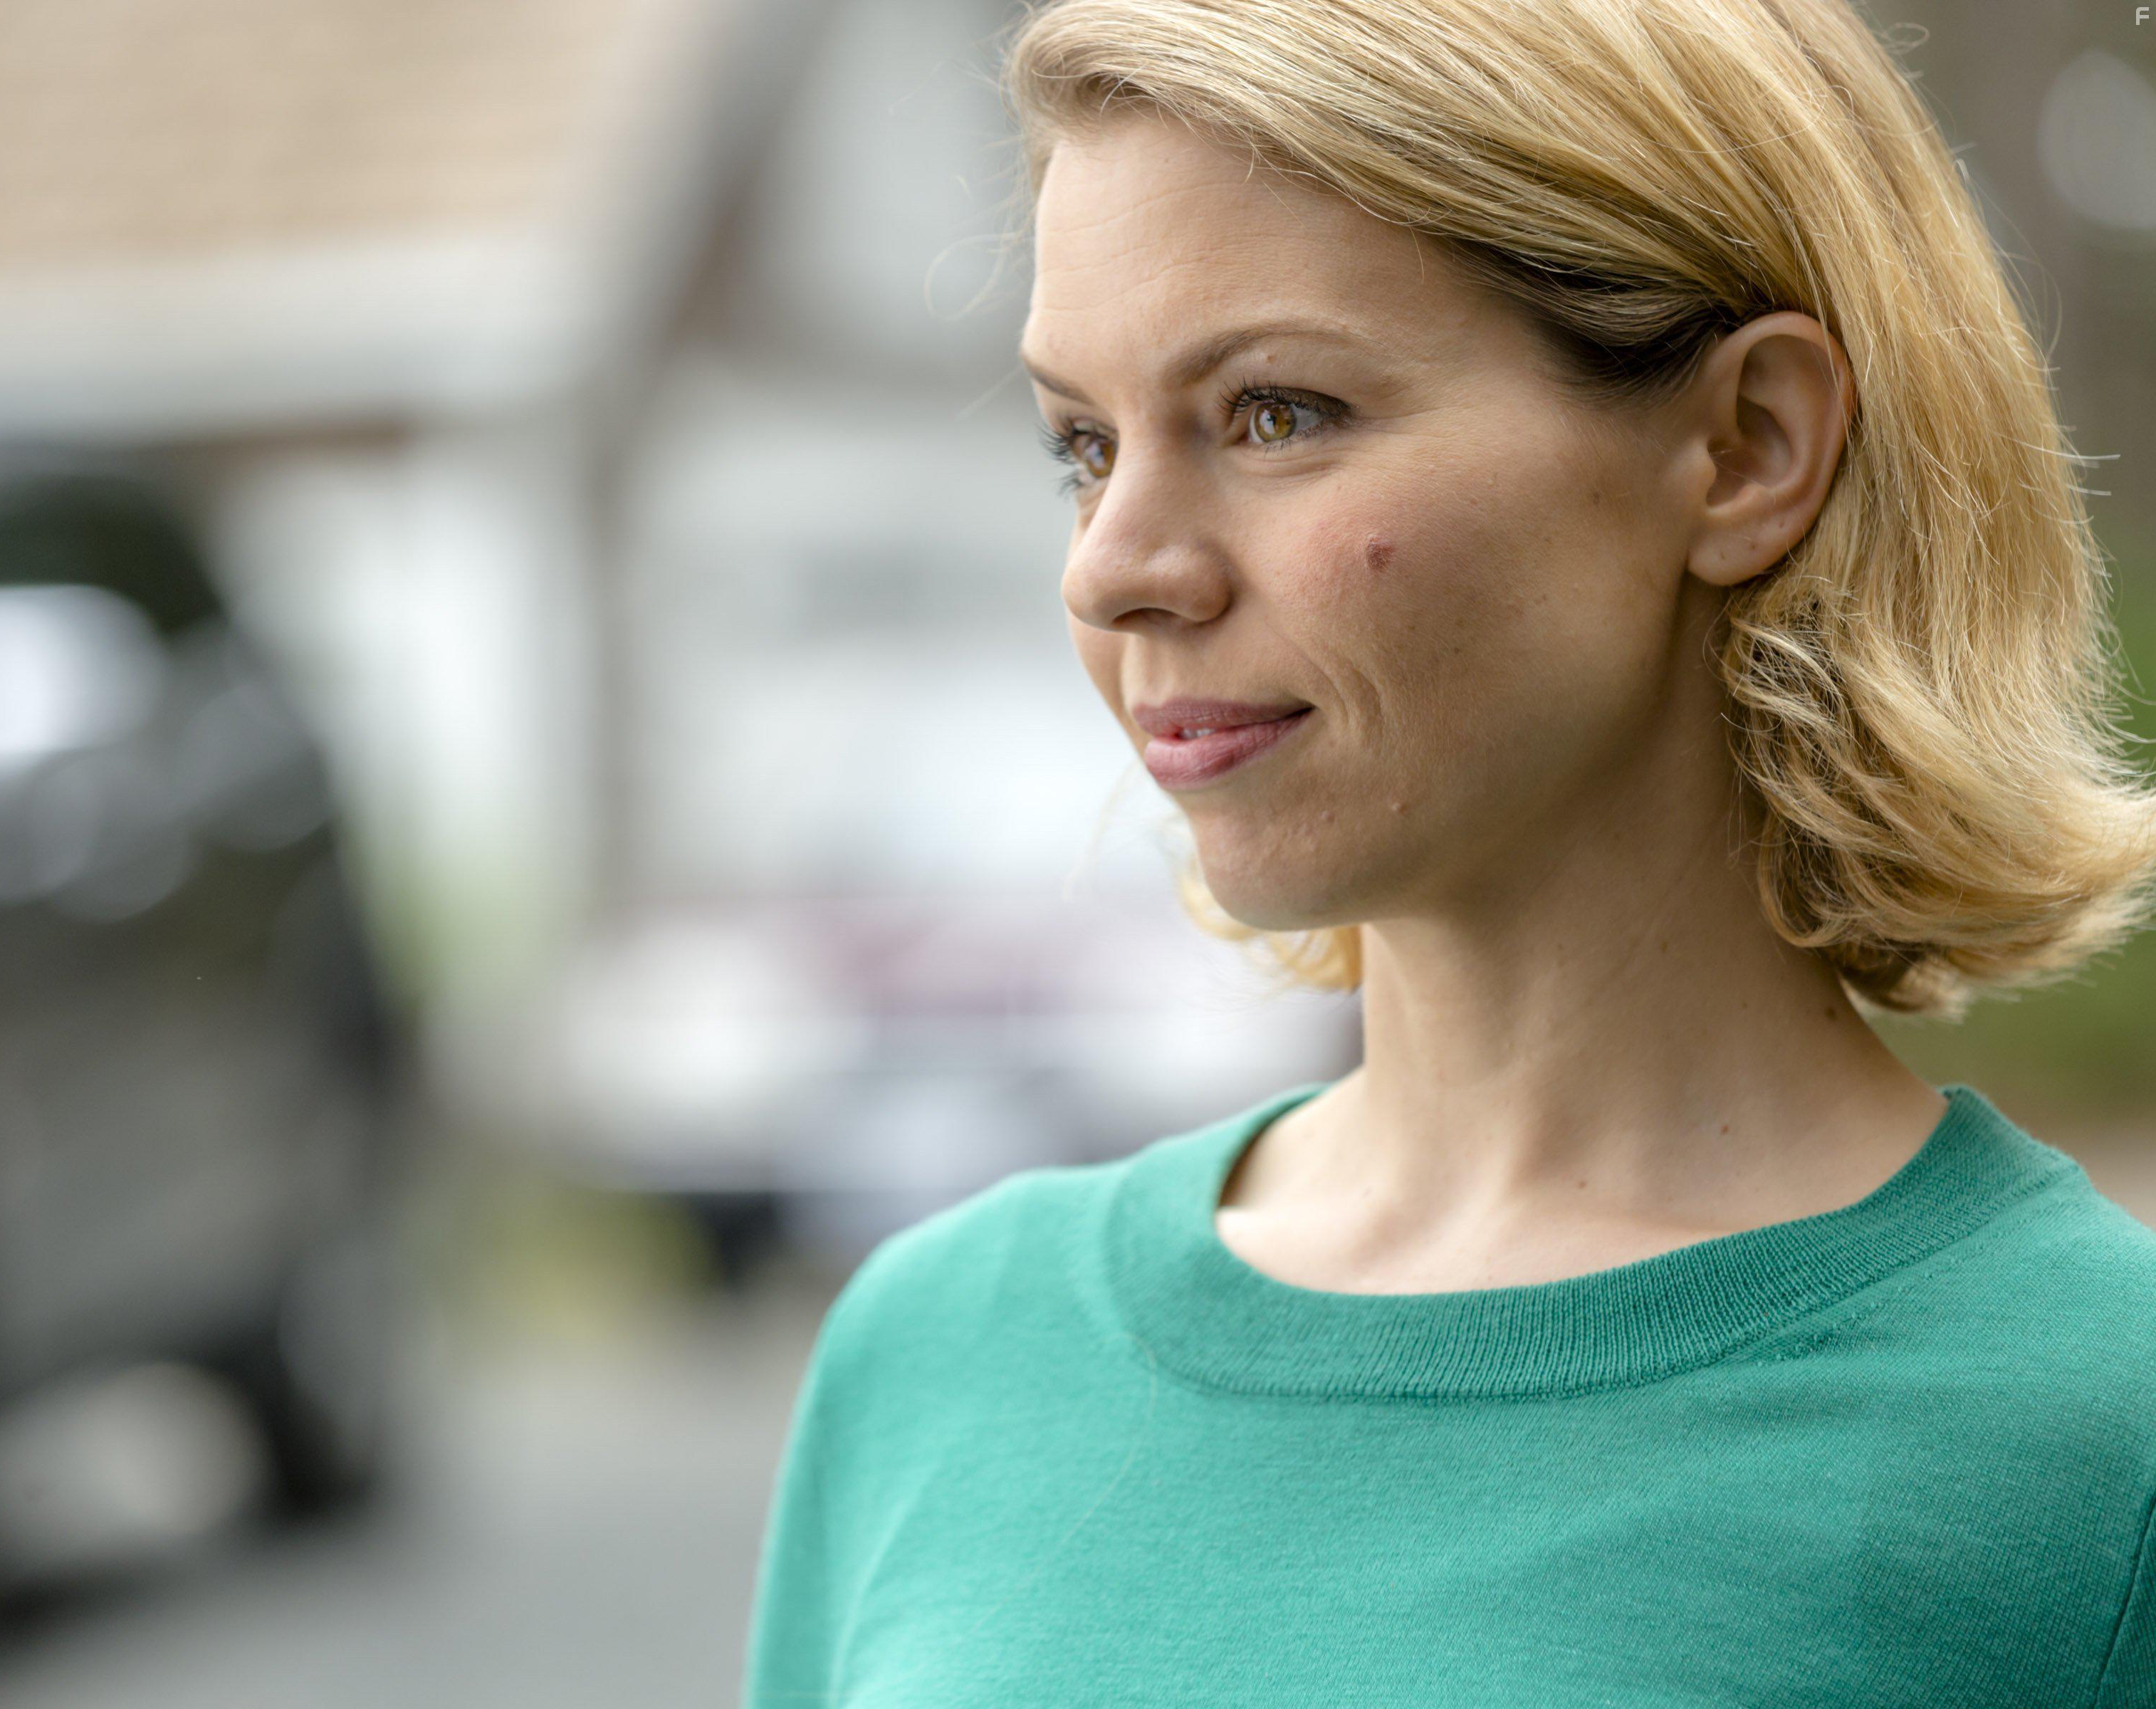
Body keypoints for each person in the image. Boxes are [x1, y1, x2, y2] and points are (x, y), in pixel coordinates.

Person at [741, 0, 2156, 1702]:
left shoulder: (2095, 1436)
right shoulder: (938, 1350)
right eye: (1082, 444)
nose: (1113, 569)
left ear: (1747, 447)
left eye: (1275, 413)